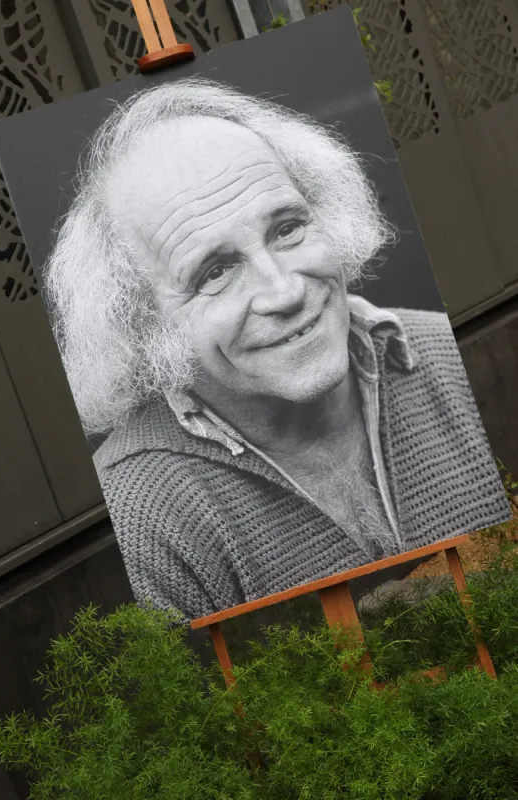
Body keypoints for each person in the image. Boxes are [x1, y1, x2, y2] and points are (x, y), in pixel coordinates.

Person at [45, 79, 510, 621]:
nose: (285, 292)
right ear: (143, 324)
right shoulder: (138, 514)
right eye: (215, 271)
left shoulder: (450, 352)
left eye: (288, 228)